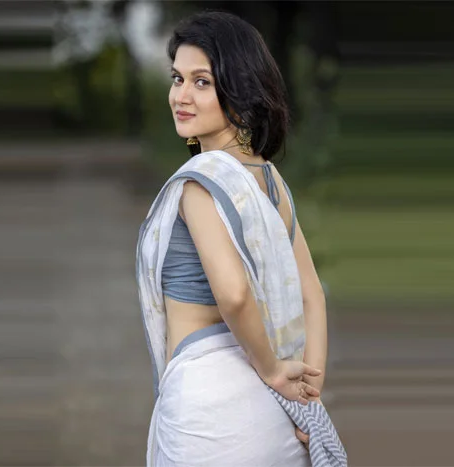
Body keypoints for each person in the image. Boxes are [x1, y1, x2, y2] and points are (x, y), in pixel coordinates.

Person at [136, 11, 338, 466]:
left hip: (210, 413)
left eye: (201, 82)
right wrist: (306, 393)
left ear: (238, 89)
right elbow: (312, 296)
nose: (181, 96)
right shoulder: (270, 179)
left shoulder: (199, 184)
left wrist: (272, 369)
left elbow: (234, 294)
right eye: (177, 78)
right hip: (274, 418)